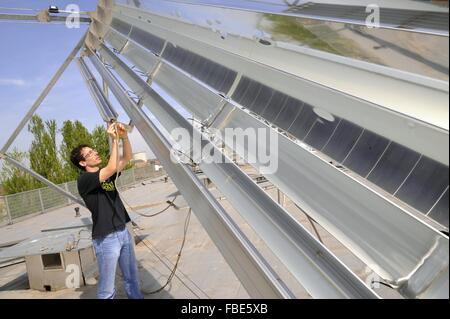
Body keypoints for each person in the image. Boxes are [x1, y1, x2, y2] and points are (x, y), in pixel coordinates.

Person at [70, 122, 143, 299]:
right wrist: (113, 138)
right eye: (89, 153)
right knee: (107, 289)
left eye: (93, 150)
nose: (95, 152)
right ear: (82, 162)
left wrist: (124, 137)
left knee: (132, 278)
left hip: (122, 231)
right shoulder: (85, 180)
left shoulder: (106, 175)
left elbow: (126, 158)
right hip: (106, 238)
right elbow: (111, 167)